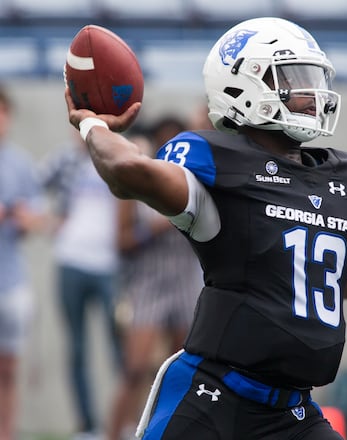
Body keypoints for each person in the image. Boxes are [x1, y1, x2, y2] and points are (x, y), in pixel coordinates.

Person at [64, 16, 347, 439]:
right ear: (242, 85)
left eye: (313, 78)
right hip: (212, 397)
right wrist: (93, 123)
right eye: (294, 79)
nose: (312, 94)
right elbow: (125, 171)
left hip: (293, 413)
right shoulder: (217, 163)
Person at [105, 120, 202, 440]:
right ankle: (115, 434)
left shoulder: (197, 185)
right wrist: (157, 226)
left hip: (186, 283)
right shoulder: (140, 186)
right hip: (149, 284)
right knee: (134, 370)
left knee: (183, 372)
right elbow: (121, 242)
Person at [40, 130, 124, 439]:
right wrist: (51, 221)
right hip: (71, 260)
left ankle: (123, 421)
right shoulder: (66, 157)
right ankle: (87, 426)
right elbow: (34, 185)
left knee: (120, 348)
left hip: (110, 266)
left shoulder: (119, 158)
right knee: (77, 347)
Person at [0, 85, 44, 440]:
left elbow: (37, 218)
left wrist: (20, 215)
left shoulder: (20, 164)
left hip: (10, 282)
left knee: (8, 370)